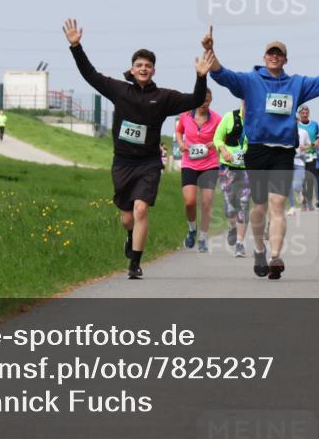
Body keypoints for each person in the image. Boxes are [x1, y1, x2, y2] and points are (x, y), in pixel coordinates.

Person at [63, 18, 214, 279]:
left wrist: (201, 77)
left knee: (141, 209)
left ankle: (135, 263)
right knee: (127, 217)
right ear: (131, 70)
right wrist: (76, 46)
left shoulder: (164, 97)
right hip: (122, 162)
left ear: (154, 71)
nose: (143, 69)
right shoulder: (119, 90)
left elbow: (196, 99)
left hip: (148, 163)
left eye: (148, 66)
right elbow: (90, 74)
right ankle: (130, 236)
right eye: (139, 65)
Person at [202, 26, 319, 279]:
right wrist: (210, 50)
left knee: (278, 203)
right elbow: (222, 75)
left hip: (284, 152)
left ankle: (275, 257)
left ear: (285, 59)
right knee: (259, 205)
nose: (274, 57)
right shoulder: (250, 81)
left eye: (279, 54)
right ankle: (260, 250)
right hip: (257, 151)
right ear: (264, 58)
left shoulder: (296, 84)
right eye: (270, 54)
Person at [174, 89, 222, 253]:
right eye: (201, 101)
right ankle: (192, 229)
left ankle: (203, 237)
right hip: (190, 163)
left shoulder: (217, 119)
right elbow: (179, 131)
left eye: (207, 101)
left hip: (210, 164)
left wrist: (216, 143)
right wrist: (180, 143)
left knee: (207, 203)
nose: (204, 104)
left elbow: (223, 138)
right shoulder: (185, 116)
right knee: (190, 201)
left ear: (211, 100)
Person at [213, 101, 251, 258]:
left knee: (243, 204)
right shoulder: (230, 117)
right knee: (230, 207)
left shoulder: (258, 119)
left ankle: (240, 244)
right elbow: (217, 138)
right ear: (243, 101)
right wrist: (223, 150)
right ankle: (232, 227)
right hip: (227, 167)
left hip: (248, 169)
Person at [297, 106, 319, 212]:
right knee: (301, 180)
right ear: (300, 114)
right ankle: (303, 202)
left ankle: (309, 201)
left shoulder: (314, 124)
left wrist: (316, 143)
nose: (305, 114)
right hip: (299, 157)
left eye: (306, 113)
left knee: (310, 180)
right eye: (303, 113)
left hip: (311, 155)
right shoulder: (296, 126)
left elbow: (318, 137)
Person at [288, 123, 311, 215]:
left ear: (298, 121)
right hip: (287, 160)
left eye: (295, 119)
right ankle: (292, 207)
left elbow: (309, 145)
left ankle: (298, 191)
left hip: (299, 161)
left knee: (296, 185)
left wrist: (305, 147)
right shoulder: (285, 130)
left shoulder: (303, 132)